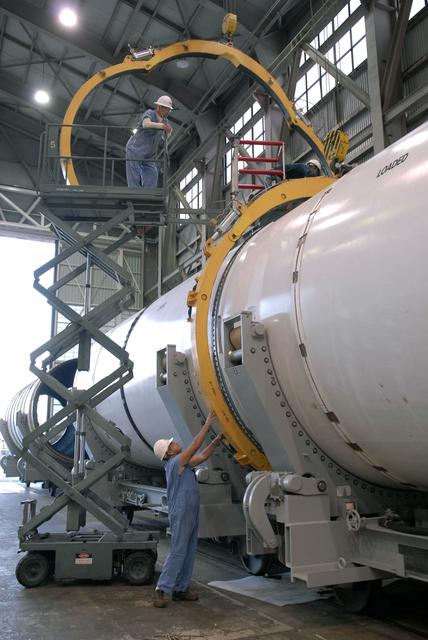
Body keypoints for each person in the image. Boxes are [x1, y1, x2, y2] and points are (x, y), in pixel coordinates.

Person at [152, 411, 222, 608]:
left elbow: (203, 455)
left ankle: (181, 589)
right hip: (181, 512)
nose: (175, 443)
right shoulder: (176, 463)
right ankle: (161, 589)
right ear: (169, 453)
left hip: (190, 511)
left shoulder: (183, 464)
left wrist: (216, 442)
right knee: (178, 550)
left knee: (189, 550)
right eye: (172, 444)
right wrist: (207, 424)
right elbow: (195, 446)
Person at [125, 95, 173, 188]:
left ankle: (148, 193)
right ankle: (133, 192)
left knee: (152, 173)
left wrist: (169, 131)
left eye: (169, 110)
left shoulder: (165, 121)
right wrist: (162, 126)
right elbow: (145, 124)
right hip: (135, 149)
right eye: (167, 109)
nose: (168, 112)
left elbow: (166, 137)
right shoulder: (150, 113)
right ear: (159, 107)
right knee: (134, 175)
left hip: (149, 154)